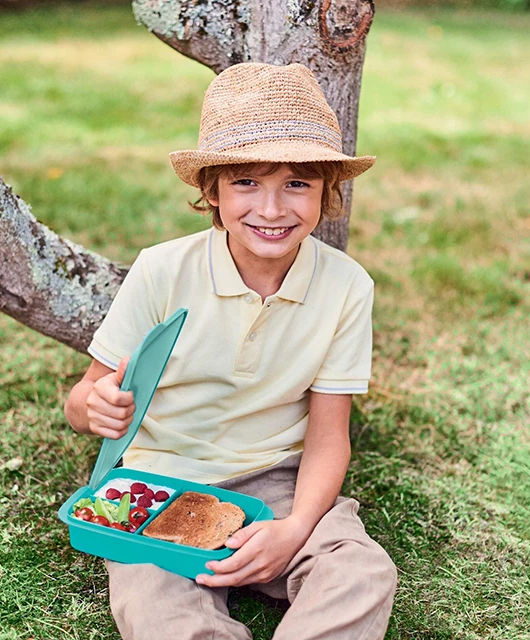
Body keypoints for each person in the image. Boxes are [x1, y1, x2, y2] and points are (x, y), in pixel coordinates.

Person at [64, 62, 397, 639]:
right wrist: (93, 406)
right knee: (157, 611)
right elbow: (83, 398)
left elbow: (327, 433)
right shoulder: (162, 270)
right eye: (247, 182)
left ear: (327, 192)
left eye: (297, 183)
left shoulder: (347, 286)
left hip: (279, 478)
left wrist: (294, 527)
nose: (271, 210)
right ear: (211, 190)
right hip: (159, 479)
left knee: (361, 572)